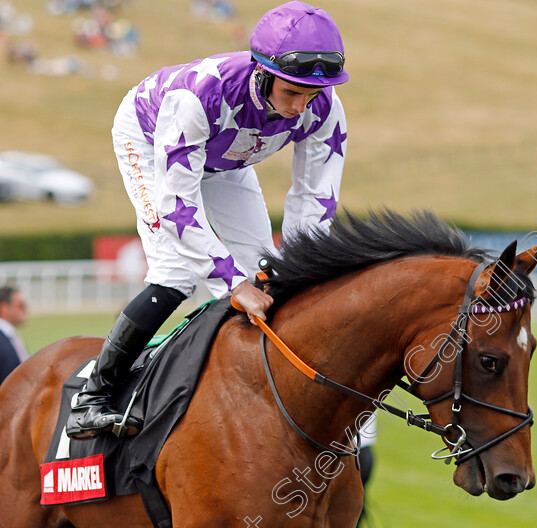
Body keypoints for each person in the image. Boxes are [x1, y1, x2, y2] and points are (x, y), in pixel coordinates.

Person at [66, 1, 349, 439]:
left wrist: (299, 272)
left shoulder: (324, 107)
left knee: (268, 269)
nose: (300, 108)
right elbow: (177, 208)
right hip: (150, 139)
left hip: (228, 161)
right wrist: (232, 285)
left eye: (311, 95)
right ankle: (93, 397)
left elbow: (314, 201)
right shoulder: (195, 96)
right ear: (261, 71)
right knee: (175, 273)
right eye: (291, 93)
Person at [0, 285, 29, 386]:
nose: (25, 309)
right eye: (21, 305)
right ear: (4, 308)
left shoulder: (10, 335)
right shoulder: (4, 338)